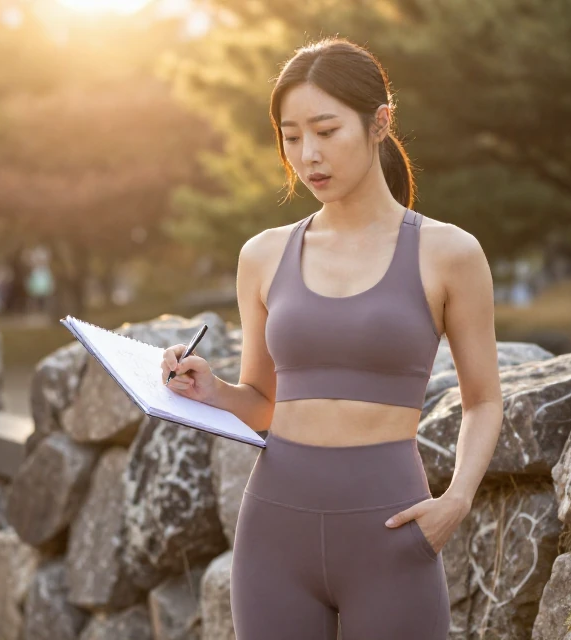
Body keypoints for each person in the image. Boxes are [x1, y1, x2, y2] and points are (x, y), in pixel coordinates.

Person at [158, 37, 504, 639]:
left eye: (326, 130)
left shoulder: (449, 253)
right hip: (274, 533)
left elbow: (483, 399)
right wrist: (209, 389)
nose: (308, 155)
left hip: (392, 531)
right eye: (291, 137)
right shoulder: (263, 255)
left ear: (380, 123)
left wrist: (457, 500)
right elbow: (264, 404)